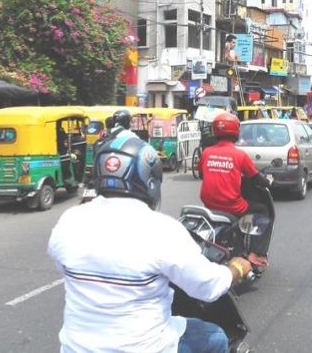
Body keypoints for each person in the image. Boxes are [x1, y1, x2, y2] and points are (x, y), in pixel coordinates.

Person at [48, 135, 253, 353]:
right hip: (149, 347)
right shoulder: (162, 230)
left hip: (75, 348)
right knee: (216, 337)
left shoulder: (69, 221)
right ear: (150, 180)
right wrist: (236, 268)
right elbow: (208, 287)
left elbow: (62, 265)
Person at [199, 113, 273, 268]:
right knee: (263, 210)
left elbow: (201, 173)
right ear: (236, 132)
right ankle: (256, 252)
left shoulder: (206, 152)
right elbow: (256, 178)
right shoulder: (239, 155)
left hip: (209, 204)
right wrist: (268, 181)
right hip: (232, 206)